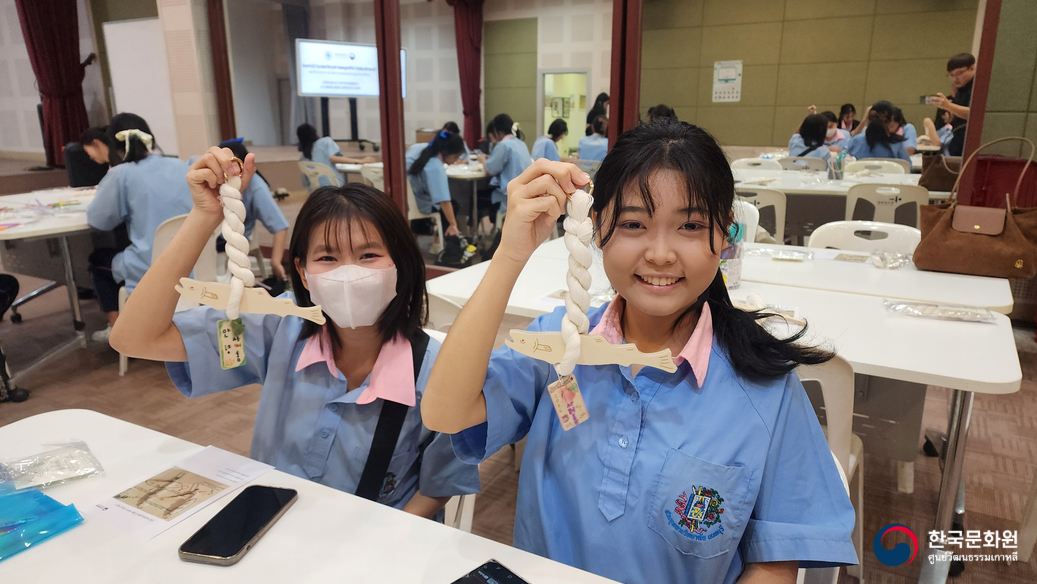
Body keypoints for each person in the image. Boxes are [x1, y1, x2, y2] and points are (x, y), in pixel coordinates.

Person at [422, 120, 857, 583]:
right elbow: (446, 412)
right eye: (633, 224)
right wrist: (510, 252)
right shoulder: (561, 343)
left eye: (691, 225)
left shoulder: (765, 385)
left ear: (726, 233)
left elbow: (774, 562)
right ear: (596, 228)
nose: (661, 253)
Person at [109, 148, 480, 517]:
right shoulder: (278, 326)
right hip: (271, 528)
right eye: (327, 258)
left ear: (400, 262)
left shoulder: (437, 374)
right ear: (302, 271)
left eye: (368, 256)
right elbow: (134, 338)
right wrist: (205, 217)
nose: (347, 274)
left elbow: (438, 487)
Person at [86, 113, 193, 342]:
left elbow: (98, 220)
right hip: (193, 262)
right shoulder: (182, 165)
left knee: (98, 262)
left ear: (112, 145)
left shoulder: (121, 174)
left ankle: (118, 332)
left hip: (151, 265)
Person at [201, 139, 290, 281]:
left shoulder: (256, 187)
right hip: (206, 237)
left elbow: (280, 226)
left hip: (228, 242)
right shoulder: (210, 182)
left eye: (234, 168)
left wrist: (276, 262)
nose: (228, 174)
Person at [476, 114, 533, 232]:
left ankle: (477, 235)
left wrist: (482, 160)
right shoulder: (520, 143)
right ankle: (494, 231)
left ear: (496, 131)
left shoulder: (503, 145)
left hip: (508, 198)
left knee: (476, 199)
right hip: (525, 194)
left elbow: (490, 170)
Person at [406, 131, 466, 237]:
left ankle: (416, 235)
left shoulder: (417, 148)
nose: (455, 161)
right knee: (453, 205)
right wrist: (453, 224)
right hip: (419, 203)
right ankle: (438, 242)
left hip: (405, 199)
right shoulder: (435, 167)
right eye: (455, 157)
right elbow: (444, 201)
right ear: (447, 152)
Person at [296, 123, 375, 188]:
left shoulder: (303, 157)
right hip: (333, 187)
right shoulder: (325, 141)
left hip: (315, 192)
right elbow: (333, 158)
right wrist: (360, 161)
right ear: (315, 133)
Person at [930, 53, 975, 156]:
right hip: (958, 139)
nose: (956, 78)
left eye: (960, 73)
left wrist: (948, 106)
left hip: (970, 142)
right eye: (951, 75)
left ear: (972, 68)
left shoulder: (976, 88)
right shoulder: (961, 90)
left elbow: (975, 114)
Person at [843, 101, 912, 168]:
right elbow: (908, 167)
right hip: (890, 179)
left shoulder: (856, 141)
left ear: (868, 118)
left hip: (859, 179)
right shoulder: (897, 144)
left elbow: (843, 161)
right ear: (891, 120)